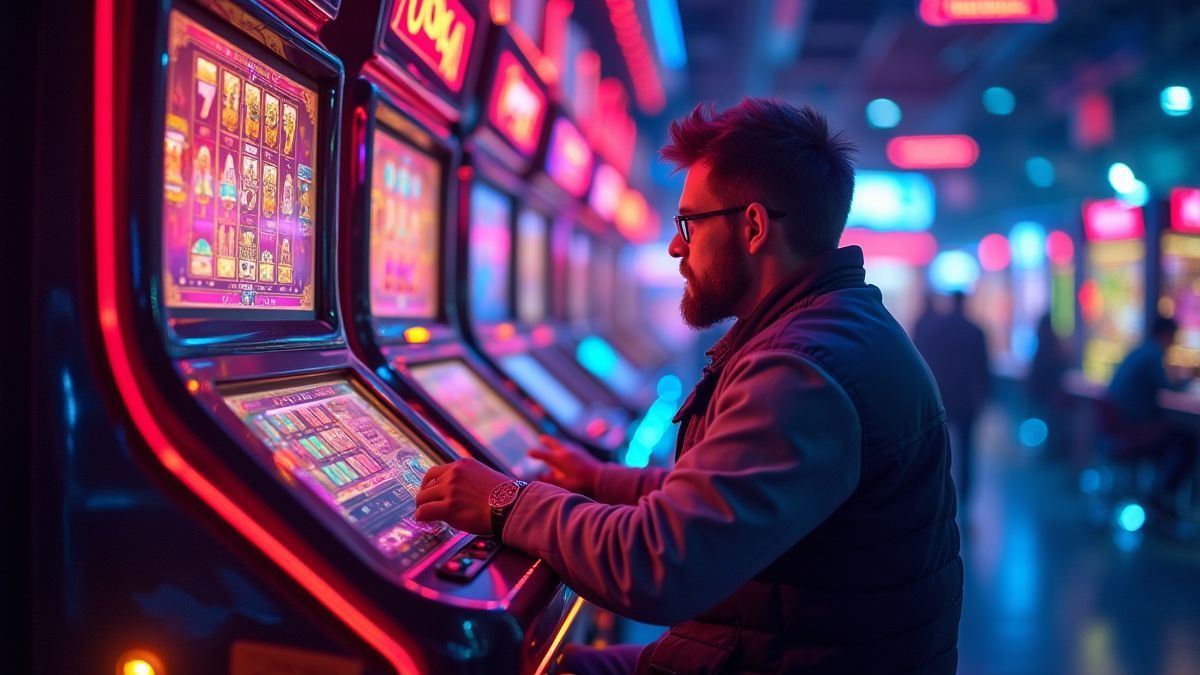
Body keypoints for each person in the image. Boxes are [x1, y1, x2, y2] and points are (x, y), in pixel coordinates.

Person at [414, 99, 962, 674]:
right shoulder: (828, 331)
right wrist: (599, 480)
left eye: (688, 223)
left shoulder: (802, 369)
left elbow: (657, 564)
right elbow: (728, 490)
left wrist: (505, 501)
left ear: (752, 226)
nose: (676, 247)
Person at [1106, 316, 1198, 515]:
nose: (1173, 343)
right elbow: (1166, 385)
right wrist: (1186, 381)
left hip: (1122, 427)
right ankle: (1162, 496)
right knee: (1187, 440)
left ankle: (1157, 493)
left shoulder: (1139, 351)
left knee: (1178, 435)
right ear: (1166, 335)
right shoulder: (1153, 353)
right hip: (1135, 428)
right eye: (1173, 337)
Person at [913, 291, 990, 509]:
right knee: (967, 452)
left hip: (941, 397)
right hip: (966, 399)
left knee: (939, 449)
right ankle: (964, 499)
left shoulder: (936, 329)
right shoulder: (975, 331)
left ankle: (940, 496)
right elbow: (983, 370)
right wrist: (984, 399)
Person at [1027, 312, 1069, 454]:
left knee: (1045, 423)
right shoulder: (1054, 345)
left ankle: (1047, 450)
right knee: (1053, 424)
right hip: (1053, 394)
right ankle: (1052, 450)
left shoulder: (1041, 345)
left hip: (1044, 394)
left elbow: (1037, 371)